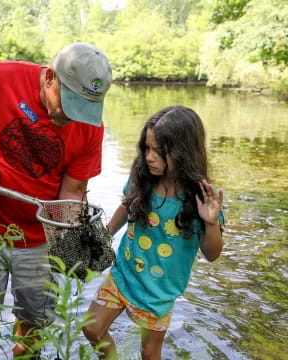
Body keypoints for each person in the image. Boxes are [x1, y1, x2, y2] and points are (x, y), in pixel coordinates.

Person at [0, 42, 112, 358]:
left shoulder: (90, 129)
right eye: (68, 103)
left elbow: (72, 191)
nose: (72, 118)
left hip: (38, 242)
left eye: (83, 108)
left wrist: (67, 236)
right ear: (49, 78)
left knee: (34, 326)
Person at [82, 106, 225, 360]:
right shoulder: (142, 176)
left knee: (149, 353)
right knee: (92, 328)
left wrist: (211, 223)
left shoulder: (202, 197)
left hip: (159, 291)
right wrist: (104, 236)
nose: (149, 157)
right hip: (124, 274)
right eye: (146, 148)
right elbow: (126, 206)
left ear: (184, 152)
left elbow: (212, 254)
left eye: (159, 151)